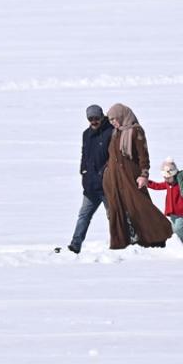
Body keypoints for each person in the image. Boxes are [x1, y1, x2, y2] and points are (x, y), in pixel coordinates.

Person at [102, 103, 173, 249]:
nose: (113, 122)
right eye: (110, 120)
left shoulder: (135, 131)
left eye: (114, 119)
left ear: (122, 116)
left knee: (141, 206)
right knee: (118, 208)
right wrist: (107, 172)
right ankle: (123, 241)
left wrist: (144, 175)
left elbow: (143, 156)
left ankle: (160, 235)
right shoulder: (116, 133)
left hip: (130, 176)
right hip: (115, 179)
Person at [59, 105, 114, 254]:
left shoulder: (111, 132)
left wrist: (104, 172)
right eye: (90, 119)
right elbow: (84, 154)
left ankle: (119, 243)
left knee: (113, 216)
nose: (93, 121)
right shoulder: (86, 134)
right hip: (90, 186)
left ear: (101, 116)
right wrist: (83, 171)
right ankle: (75, 244)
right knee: (84, 215)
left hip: (107, 185)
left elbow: (113, 158)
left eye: (96, 118)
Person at [144, 158, 183, 245]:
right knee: (175, 230)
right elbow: (157, 186)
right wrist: (147, 183)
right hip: (172, 211)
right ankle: (180, 244)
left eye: (168, 178)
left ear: (174, 174)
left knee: (177, 228)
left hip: (182, 210)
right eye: (165, 178)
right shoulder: (167, 184)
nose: (166, 180)